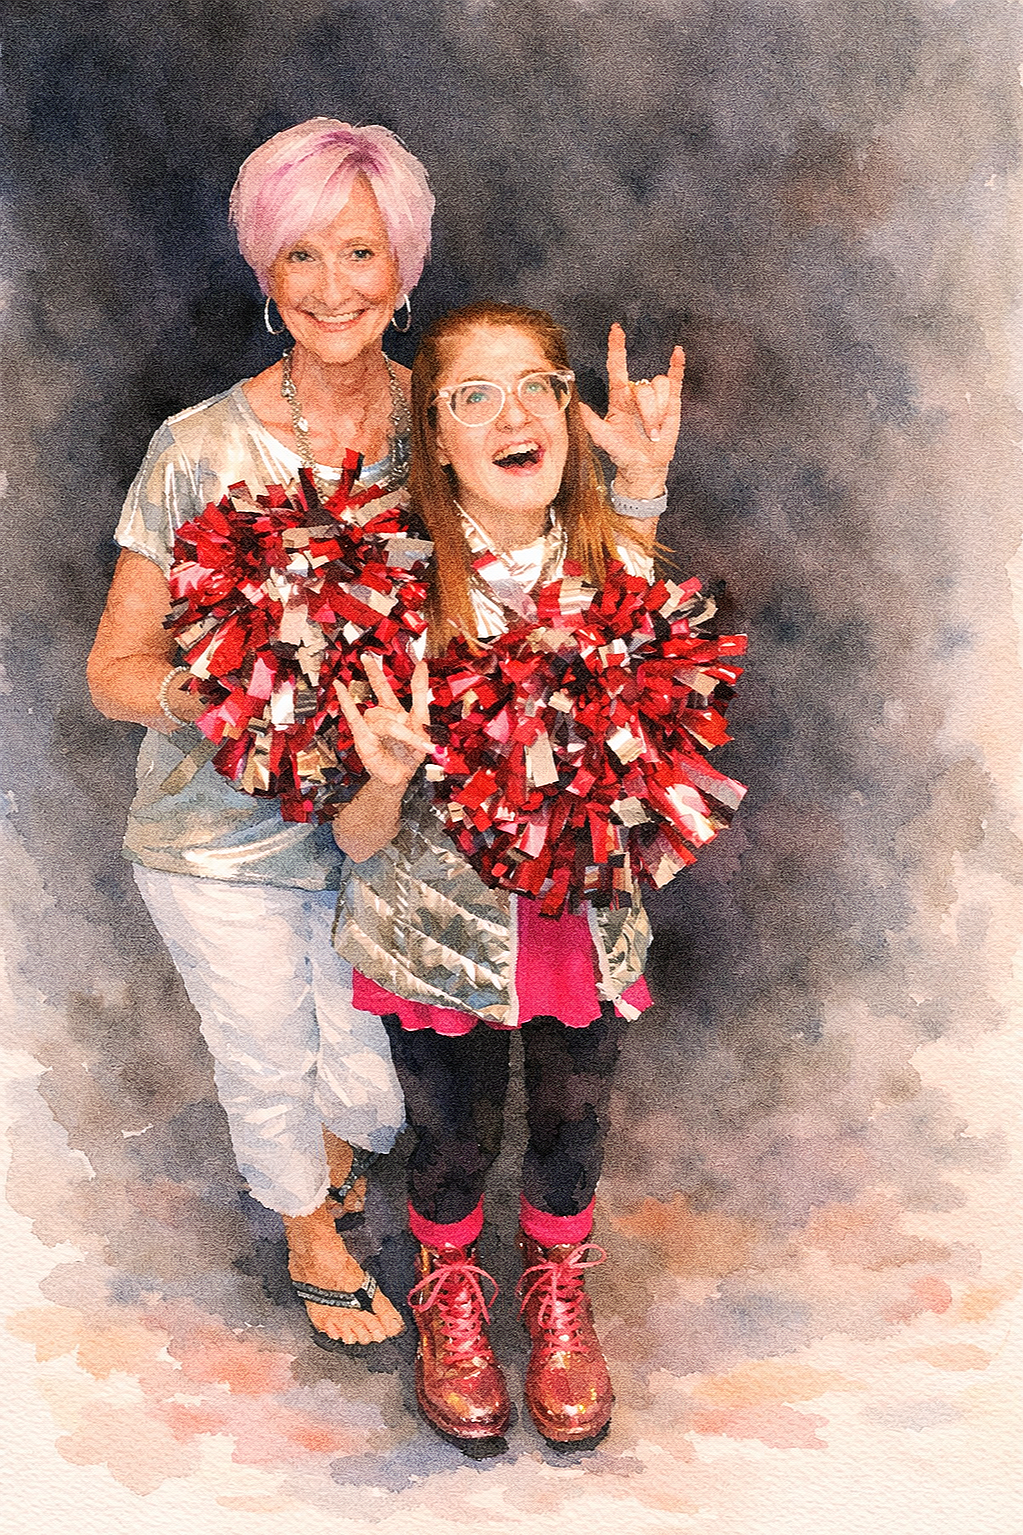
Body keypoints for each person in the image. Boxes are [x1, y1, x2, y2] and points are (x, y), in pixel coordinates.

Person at [87, 118, 436, 1346]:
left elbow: (542, 566)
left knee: (374, 1091)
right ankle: (308, 1233)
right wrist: (229, 688)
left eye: (360, 253)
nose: (332, 288)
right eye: (301, 257)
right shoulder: (197, 445)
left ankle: (326, 1156)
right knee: (268, 1058)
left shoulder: (444, 424)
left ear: (404, 268)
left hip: (381, 830)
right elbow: (112, 671)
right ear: (264, 272)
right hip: (211, 837)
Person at [329, 301, 685, 1444]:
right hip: (439, 933)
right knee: (454, 1138)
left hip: (580, 927)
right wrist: (383, 778)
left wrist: (643, 482)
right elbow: (351, 840)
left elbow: (641, 663)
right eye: (473, 395)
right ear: (432, 435)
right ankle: (453, 1301)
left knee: (575, 1123)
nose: (514, 412)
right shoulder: (390, 587)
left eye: (535, 383)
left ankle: (557, 1290)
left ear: (568, 409)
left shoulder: (600, 553)